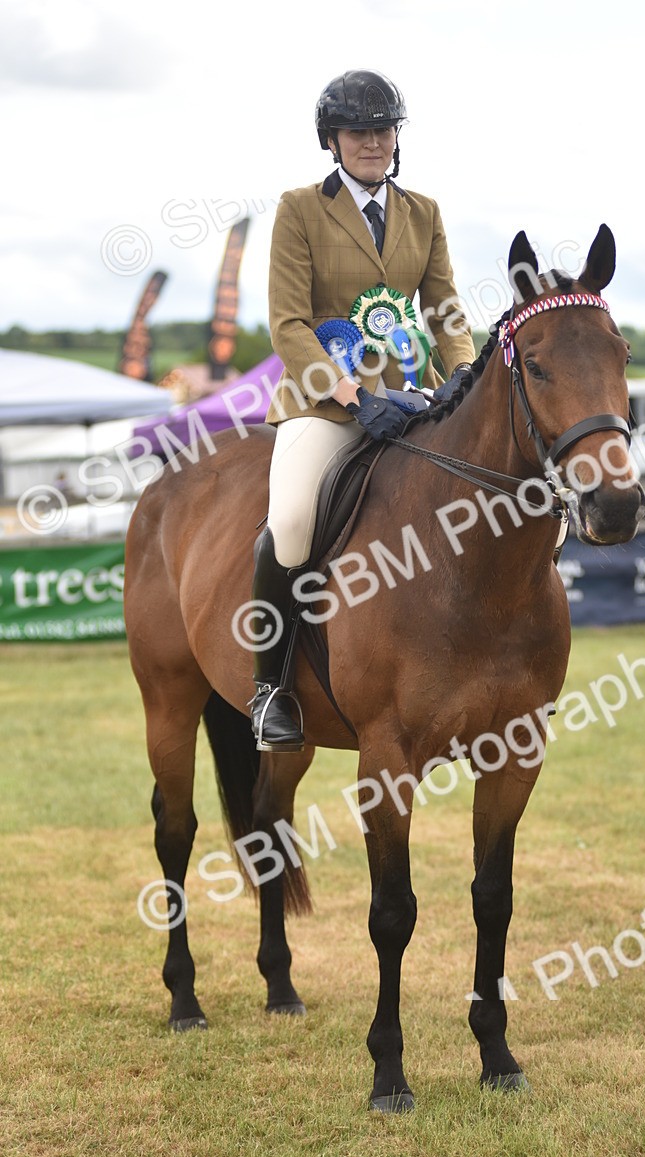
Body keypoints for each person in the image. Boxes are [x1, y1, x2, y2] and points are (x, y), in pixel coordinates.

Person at [249, 68, 476, 753]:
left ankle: (496, 674)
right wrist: (351, 395)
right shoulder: (298, 209)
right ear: (333, 141)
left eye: (383, 130)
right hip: (328, 403)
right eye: (358, 132)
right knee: (289, 523)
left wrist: (462, 372)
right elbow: (287, 323)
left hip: (415, 395)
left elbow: (443, 309)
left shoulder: (423, 212)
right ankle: (271, 689)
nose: (372, 142)